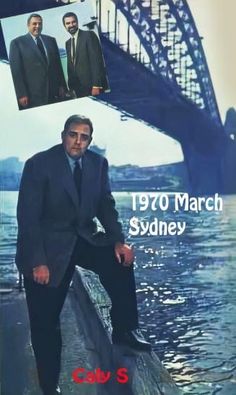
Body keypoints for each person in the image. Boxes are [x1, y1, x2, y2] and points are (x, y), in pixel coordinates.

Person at [16, 115, 151, 395]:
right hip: (47, 243)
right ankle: (49, 385)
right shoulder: (39, 164)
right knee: (45, 322)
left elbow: (106, 206)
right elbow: (27, 220)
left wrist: (118, 242)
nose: (78, 141)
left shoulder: (97, 164)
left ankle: (125, 329)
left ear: (90, 140)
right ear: (63, 134)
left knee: (121, 262)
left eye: (84, 137)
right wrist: (38, 262)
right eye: (73, 135)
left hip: (83, 235)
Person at [9, 14, 67, 110]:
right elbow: (16, 72)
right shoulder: (17, 43)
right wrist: (21, 94)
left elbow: (58, 66)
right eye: (34, 24)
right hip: (33, 95)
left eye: (40, 24)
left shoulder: (51, 40)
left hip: (54, 93)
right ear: (28, 25)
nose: (37, 26)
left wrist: (62, 86)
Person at [62, 12, 109, 98]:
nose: (71, 25)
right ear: (64, 26)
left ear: (77, 22)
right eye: (68, 23)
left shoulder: (89, 35)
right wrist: (71, 88)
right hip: (79, 90)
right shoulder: (67, 43)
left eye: (73, 22)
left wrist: (96, 85)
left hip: (93, 88)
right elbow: (71, 66)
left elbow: (96, 61)